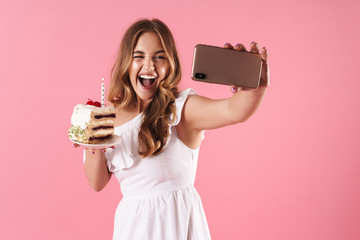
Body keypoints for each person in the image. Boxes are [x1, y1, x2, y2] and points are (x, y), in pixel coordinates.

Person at [75, 18, 269, 239]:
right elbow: (97, 182)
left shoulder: (181, 109)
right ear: (126, 63)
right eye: (139, 56)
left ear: (170, 64)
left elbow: (234, 111)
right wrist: (91, 144)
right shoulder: (108, 118)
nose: (149, 66)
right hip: (132, 228)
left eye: (159, 57)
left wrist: (255, 89)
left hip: (176, 226)